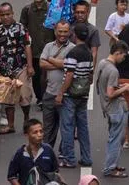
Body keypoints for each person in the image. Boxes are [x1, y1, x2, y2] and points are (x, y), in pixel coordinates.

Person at [0, 2, 35, 135]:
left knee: (24, 95)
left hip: (21, 66)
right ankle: (10, 125)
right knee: (8, 97)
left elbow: (27, 46)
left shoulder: (20, 28)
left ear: (12, 14)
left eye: (8, 14)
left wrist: (30, 66)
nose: (5, 17)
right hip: (5, 69)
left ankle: (26, 119)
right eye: (3, 15)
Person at [57, 23, 94, 169]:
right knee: (83, 128)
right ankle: (86, 157)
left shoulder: (73, 53)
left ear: (74, 35)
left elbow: (69, 75)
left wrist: (61, 93)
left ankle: (69, 158)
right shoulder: (89, 53)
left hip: (70, 95)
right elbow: (90, 76)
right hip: (83, 95)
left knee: (67, 127)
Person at [95, 41, 129, 179]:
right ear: (117, 53)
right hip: (115, 108)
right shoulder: (113, 70)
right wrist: (126, 88)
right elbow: (110, 94)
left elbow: (104, 85)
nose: (124, 58)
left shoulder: (102, 63)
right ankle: (109, 168)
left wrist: (120, 86)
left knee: (116, 137)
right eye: (123, 55)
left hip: (108, 108)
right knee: (116, 139)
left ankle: (113, 164)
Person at [21, 0, 56, 106]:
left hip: (49, 49)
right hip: (34, 50)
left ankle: (48, 96)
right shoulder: (27, 10)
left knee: (48, 75)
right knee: (36, 76)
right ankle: (40, 98)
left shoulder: (52, 9)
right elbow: (23, 29)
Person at [39, 20, 72, 149]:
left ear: (69, 32)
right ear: (55, 31)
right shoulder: (48, 46)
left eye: (65, 32)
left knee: (66, 127)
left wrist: (50, 59)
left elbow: (68, 66)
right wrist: (60, 64)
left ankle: (64, 153)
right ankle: (47, 152)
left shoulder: (73, 48)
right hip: (49, 93)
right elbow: (41, 64)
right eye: (60, 31)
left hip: (66, 95)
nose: (62, 34)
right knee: (48, 127)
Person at [6, 119, 59, 185]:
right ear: (26, 135)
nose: (39, 135)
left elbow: (55, 173)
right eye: (35, 132)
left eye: (41, 131)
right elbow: (11, 176)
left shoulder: (48, 150)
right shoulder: (20, 154)